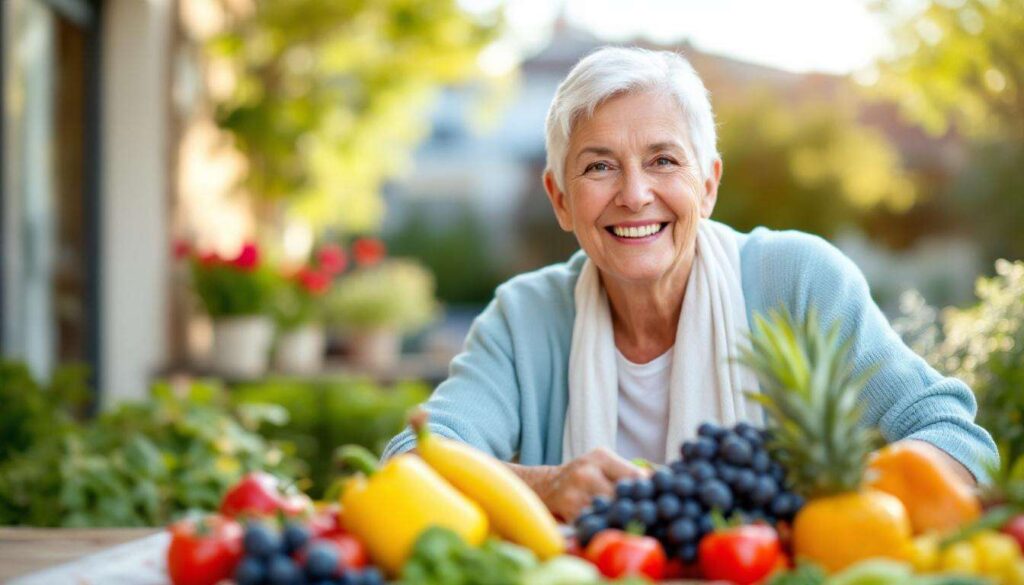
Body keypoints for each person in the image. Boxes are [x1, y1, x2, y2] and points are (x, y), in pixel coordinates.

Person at [383, 46, 996, 521]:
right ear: (561, 199)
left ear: (707, 184)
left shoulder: (798, 279)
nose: (634, 194)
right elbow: (412, 461)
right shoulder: (525, 318)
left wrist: (832, 504)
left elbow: (955, 439)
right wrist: (545, 484)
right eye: (599, 166)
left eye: (663, 160)